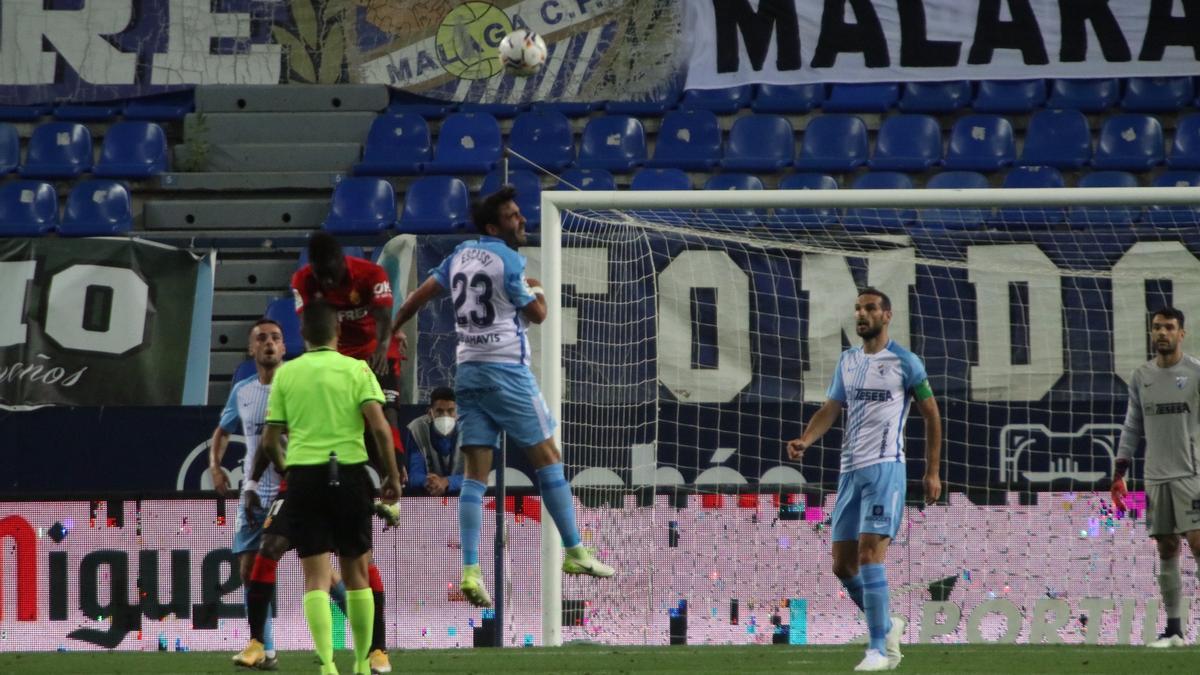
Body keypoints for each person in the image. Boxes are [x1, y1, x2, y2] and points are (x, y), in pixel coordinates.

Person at [391, 185, 615, 608]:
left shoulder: (458, 256)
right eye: (513, 215)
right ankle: (575, 552)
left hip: (469, 374)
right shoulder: (510, 260)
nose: (522, 220)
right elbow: (539, 315)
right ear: (495, 225)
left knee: (476, 475)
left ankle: (471, 571)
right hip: (507, 371)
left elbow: (420, 296)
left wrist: (394, 327)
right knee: (548, 457)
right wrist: (538, 287)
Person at [785, 288, 942, 672]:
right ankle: (888, 625)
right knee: (842, 565)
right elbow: (831, 408)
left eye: (870, 308)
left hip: (886, 470)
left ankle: (878, 649)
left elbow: (932, 416)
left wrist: (932, 471)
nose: (861, 314)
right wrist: (806, 438)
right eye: (857, 308)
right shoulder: (848, 361)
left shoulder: (906, 363)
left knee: (870, 554)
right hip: (850, 472)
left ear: (887, 315)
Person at [260, 301, 403, 675]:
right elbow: (379, 427)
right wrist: (390, 476)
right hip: (351, 474)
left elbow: (270, 438)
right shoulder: (356, 369)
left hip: (305, 478)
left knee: (316, 578)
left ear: (302, 335)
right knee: (357, 573)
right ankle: (360, 661)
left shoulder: (287, 375)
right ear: (338, 334)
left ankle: (326, 664)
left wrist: (286, 465)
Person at [292, 232, 405, 671]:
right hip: (332, 359)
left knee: (384, 421)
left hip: (372, 356)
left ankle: (394, 488)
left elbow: (383, 316)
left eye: (334, 271)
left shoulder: (370, 274)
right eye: (323, 274)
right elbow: (308, 327)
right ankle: (346, 657)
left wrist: (378, 351)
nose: (330, 279)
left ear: (344, 260)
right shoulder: (304, 280)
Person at [1111, 306, 1200, 648]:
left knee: (1198, 541)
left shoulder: (1194, 373)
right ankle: (1175, 631)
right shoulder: (1141, 376)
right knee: (1166, 546)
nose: (1162, 333)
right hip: (1156, 476)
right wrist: (1120, 472)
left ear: (1182, 333)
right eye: (1157, 327)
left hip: (1192, 473)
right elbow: (1133, 425)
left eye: (1169, 327)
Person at [208, 318, 286, 670]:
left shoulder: (294, 384)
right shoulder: (243, 391)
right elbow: (222, 431)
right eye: (262, 338)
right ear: (251, 349)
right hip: (254, 493)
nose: (269, 343)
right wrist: (215, 465)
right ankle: (265, 649)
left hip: (291, 489)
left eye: (276, 338)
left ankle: (372, 641)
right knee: (247, 569)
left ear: (284, 347)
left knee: (321, 572)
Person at [404, 386, 465, 496]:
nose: (445, 416)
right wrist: (428, 481)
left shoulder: (469, 429)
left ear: (457, 413)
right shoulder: (417, 428)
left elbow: (476, 476)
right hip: (428, 496)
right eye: (439, 411)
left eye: (450, 411)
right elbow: (414, 474)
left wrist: (446, 482)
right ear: (430, 413)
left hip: (463, 498)